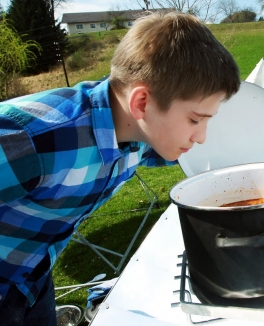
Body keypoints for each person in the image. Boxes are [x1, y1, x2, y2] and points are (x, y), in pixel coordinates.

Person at [0, 11, 240, 325]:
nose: (201, 136)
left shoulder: (137, 133)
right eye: (195, 119)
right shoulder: (34, 140)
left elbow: (199, 159)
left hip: (32, 281)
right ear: (141, 102)